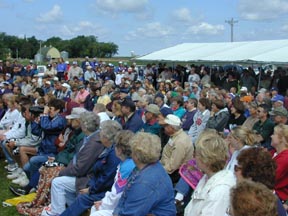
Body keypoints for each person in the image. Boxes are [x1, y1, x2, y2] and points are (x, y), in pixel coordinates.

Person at [15, 107, 86, 216]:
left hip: (62, 159)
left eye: (51, 109)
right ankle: (36, 193)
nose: (69, 121)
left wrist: (60, 159)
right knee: (45, 166)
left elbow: (71, 152)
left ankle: (42, 197)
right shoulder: (73, 130)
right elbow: (59, 144)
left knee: (46, 167)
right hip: (57, 155)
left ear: (78, 121)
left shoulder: (79, 134)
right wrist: (59, 152)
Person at [42, 112, 103, 216]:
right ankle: (64, 210)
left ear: (85, 126)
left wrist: (62, 171)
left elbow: (80, 168)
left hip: (86, 178)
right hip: (80, 173)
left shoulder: (94, 143)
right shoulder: (91, 137)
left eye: (82, 123)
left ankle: (57, 213)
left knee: (57, 182)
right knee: (56, 176)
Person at [57, 120, 122, 216]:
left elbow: (106, 178)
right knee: (77, 193)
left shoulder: (113, 154)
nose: (99, 134)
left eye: (101, 132)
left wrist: (91, 189)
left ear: (106, 136)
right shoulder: (108, 148)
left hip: (102, 189)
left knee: (83, 197)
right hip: (95, 183)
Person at [113, 132, 176, 216]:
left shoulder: (145, 182)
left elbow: (130, 213)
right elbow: (125, 197)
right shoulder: (148, 167)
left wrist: (116, 213)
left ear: (136, 156)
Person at [184, 131, 236, 216]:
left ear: (205, 159)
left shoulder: (220, 190)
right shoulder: (207, 177)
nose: (194, 158)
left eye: (196, 154)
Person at [90, 130, 135, 216]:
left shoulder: (126, 168)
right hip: (123, 204)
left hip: (125, 208)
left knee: (96, 212)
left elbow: (116, 195)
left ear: (119, 150)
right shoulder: (129, 163)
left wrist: (103, 204)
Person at [235, 147, 286, 216]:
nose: (234, 173)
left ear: (250, 175)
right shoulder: (266, 201)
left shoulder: (262, 209)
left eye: (237, 168)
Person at [160, 114, 194, 183]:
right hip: (165, 165)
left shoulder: (180, 142)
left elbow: (172, 167)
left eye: (165, 126)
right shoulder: (175, 135)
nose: (164, 128)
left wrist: (157, 170)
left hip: (173, 174)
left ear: (171, 127)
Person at [271, 124, 288, 206]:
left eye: (274, 134)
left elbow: (269, 178)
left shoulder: (285, 158)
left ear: (281, 139)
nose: (271, 136)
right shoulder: (273, 153)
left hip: (278, 198)